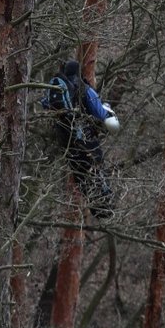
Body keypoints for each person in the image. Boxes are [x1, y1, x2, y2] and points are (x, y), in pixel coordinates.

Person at [41, 59, 120, 218]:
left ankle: (95, 208)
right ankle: (105, 210)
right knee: (96, 172)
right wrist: (108, 109)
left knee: (80, 175)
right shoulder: (85, 89)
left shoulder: (57, 87)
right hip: (86, 140)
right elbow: (101, 114)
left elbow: (45, 104)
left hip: (67, 142)